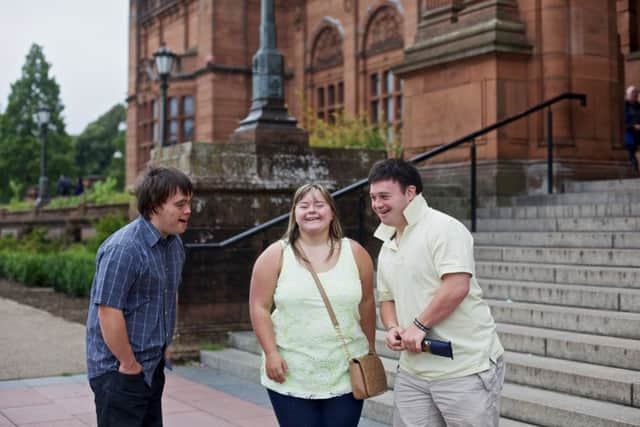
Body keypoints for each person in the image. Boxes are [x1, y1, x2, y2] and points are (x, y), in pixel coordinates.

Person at [368, 159, 504, 427]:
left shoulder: (443, 228)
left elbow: (457, 285)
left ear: (410, 192)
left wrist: (419, 325)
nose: (377, 204)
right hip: (413, 371)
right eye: (373, 197)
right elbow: (387, 299)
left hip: (464, 368)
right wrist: (393, 326)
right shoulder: (387, 243)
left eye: (384, 196)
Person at [249, 183, 376, 427]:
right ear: (294, 214)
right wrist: (271, 353)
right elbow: (259, 307)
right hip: (291, 370)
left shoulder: (356, 252)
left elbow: (367, 304)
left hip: (346, 369)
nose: (312, 211)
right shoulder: (275, 255)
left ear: (332, 212)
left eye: (319, 205)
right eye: (304, 205)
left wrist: (370, 349)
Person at [85, 166, 193, 427]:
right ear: (155, 206)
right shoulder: (124, 248)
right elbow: (108, 311)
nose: (188, 211)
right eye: (180, 204)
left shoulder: (174, 244)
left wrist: (165, 345)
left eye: (190, 203)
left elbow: (169, 294)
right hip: (119, 371)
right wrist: (128, 363)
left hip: (152, 366)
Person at [624, 85, 640, 174]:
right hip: (628, 133)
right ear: (627, 95)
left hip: (637, 133)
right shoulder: (624, 106)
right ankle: (633, 169)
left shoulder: (638, 106)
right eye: (633, 93)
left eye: (636, 93)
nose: (635, 95)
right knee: (631, 151)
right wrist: (633, 125)